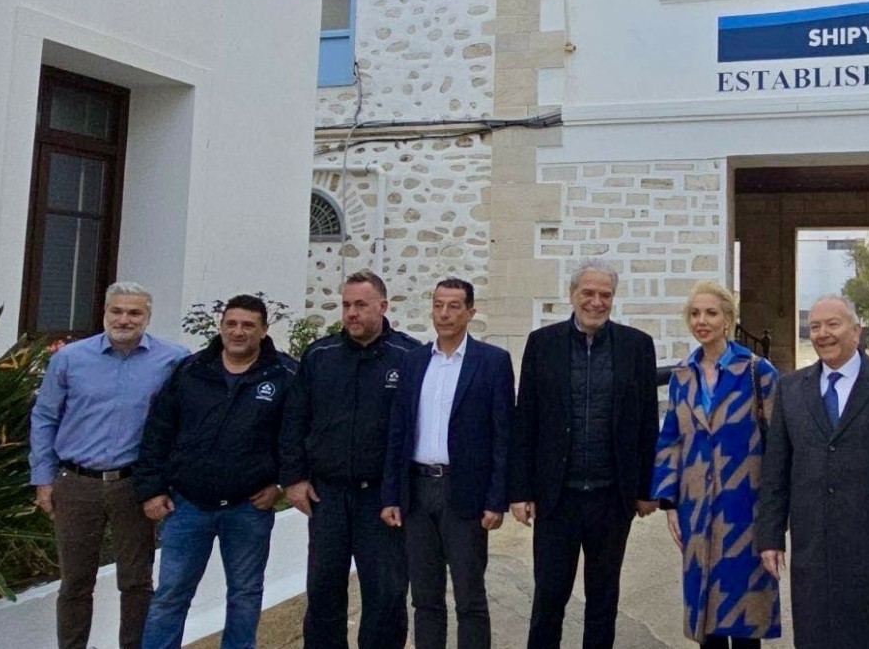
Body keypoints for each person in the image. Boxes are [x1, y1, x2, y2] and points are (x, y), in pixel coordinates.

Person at [755, 294, 869, 649]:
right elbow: (776, 469)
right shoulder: (790, 389)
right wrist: (770, 535)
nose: (822, 334)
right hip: (812, 549)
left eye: (833, 324)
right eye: (815, 326)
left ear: (857, 330)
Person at [507, 258, 660, 649]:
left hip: (612, 496)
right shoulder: (542, 344)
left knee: (603, 599)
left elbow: (647, 422)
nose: (596, 302)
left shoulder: (637, 346)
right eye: (588, 293)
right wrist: (520, 490)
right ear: (572, 294)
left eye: (605, 294)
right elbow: (526, 420)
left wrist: (648, 488)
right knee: (549, 598)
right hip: (557, 497)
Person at [29, 282, 189, 649]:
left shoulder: (174, 359)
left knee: (136, 582)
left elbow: (185, 419)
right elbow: (44, 417)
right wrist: (43, 478)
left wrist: (167, 481)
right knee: (75, 582)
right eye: (117, 311)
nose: (124, 319)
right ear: (104, 312)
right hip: (76, 483)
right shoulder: (70, 359)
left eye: (134, 312)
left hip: (134, 485)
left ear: (148, 316)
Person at [133, 294, 296, 649]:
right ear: (220, 327)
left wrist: (281, 483)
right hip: (187, 506)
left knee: (245, 594)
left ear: (264, 330)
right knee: (170, 595)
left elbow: (297, 436)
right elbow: (159, 430)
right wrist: (152, 489)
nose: (238, 332)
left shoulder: (285, 375)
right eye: (231, 324)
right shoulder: (190, 371)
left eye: (248, 325)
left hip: (248, 508)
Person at [280, 270, 420, 649]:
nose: (351, 313)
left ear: (383, 306)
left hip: (382, 498)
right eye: (346, 305)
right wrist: (293, 478)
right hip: (327, 496)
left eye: (360, 304)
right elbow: (294, 419)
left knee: (386, 593)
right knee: (323, 590)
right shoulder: (319, 356)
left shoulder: (410, 357)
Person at [380, 278, 514, 649]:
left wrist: (496, 499)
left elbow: (503, 435)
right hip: (418, 490)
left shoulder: (492, 362)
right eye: (438, 304)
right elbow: (398, 431)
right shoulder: (414, 361)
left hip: (465, 492)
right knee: (425, 598)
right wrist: (391, 495)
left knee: (470, 598)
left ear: (470, 312)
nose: (444, 313)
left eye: (454, 306)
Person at [652, 281, 780, 649]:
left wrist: (777, 509)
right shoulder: (683, 375)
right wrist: (669, 502)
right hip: (695, 508)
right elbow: (671, 439)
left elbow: (779, 445)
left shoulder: (757, 372)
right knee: (705, 617)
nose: (702, 321)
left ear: (728, 320)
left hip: (745, 510)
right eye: (695, 314)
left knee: (744, 619)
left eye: (711, 313)